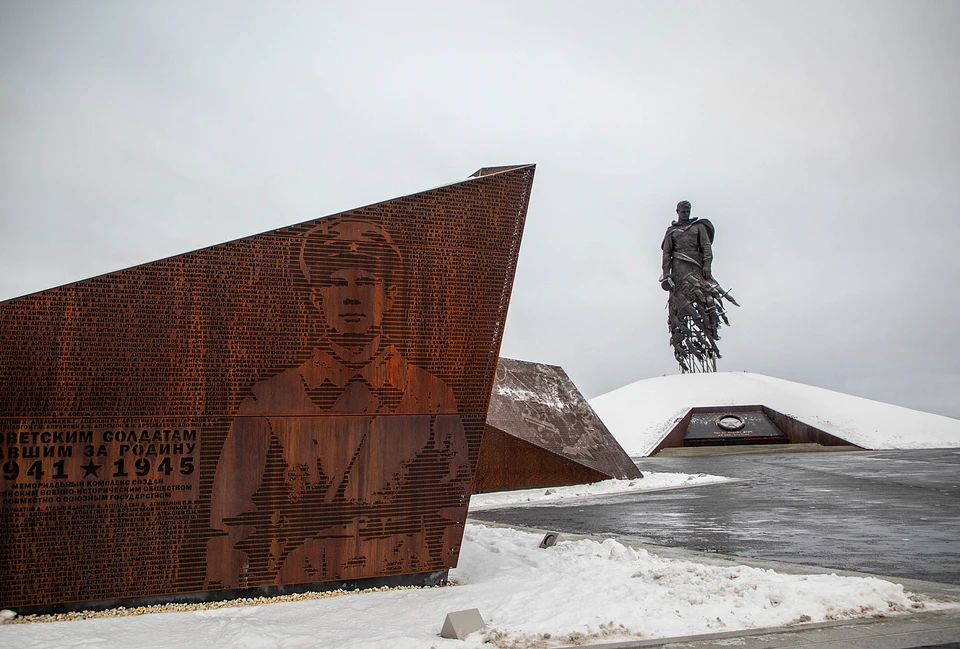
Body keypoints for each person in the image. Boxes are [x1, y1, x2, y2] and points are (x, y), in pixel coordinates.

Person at [206, 217, 470, 589]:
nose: (351, 296)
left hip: (402, 587)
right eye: (336, 283)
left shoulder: (432, 395)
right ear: (317, 298)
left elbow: (450, 498)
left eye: (365, 283)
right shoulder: (267, 399)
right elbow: (231, 520)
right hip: (294, 584)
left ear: (389, 296)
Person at [659, 201, 736, 372]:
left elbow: (706, 247)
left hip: (696, 270)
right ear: (677, 211)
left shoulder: (698, 227)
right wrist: (666, 275)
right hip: (679, 272)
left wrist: (707, 265)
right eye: (683, 211)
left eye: (688, 211)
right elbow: (666, 255)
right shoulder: (671, 232)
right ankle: (686, 353)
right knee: (682, 312)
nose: (685, 213)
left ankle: (708, 341)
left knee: (705, 305)